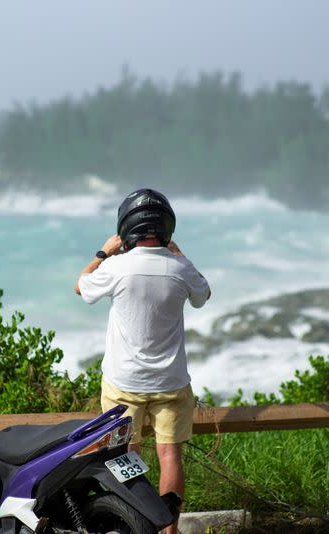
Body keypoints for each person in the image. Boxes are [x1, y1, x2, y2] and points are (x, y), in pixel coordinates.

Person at [74, 188, 210, 534]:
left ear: (127, 229)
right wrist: (179, 255)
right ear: (166, 228)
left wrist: (103, 252)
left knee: (127, 456)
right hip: (171, 382)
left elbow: (82, 287)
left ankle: (136, 525)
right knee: (170, 456)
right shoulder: (179, 268)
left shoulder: (117, 267)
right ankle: (169, 530)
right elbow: (203, 295)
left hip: (125, 384)